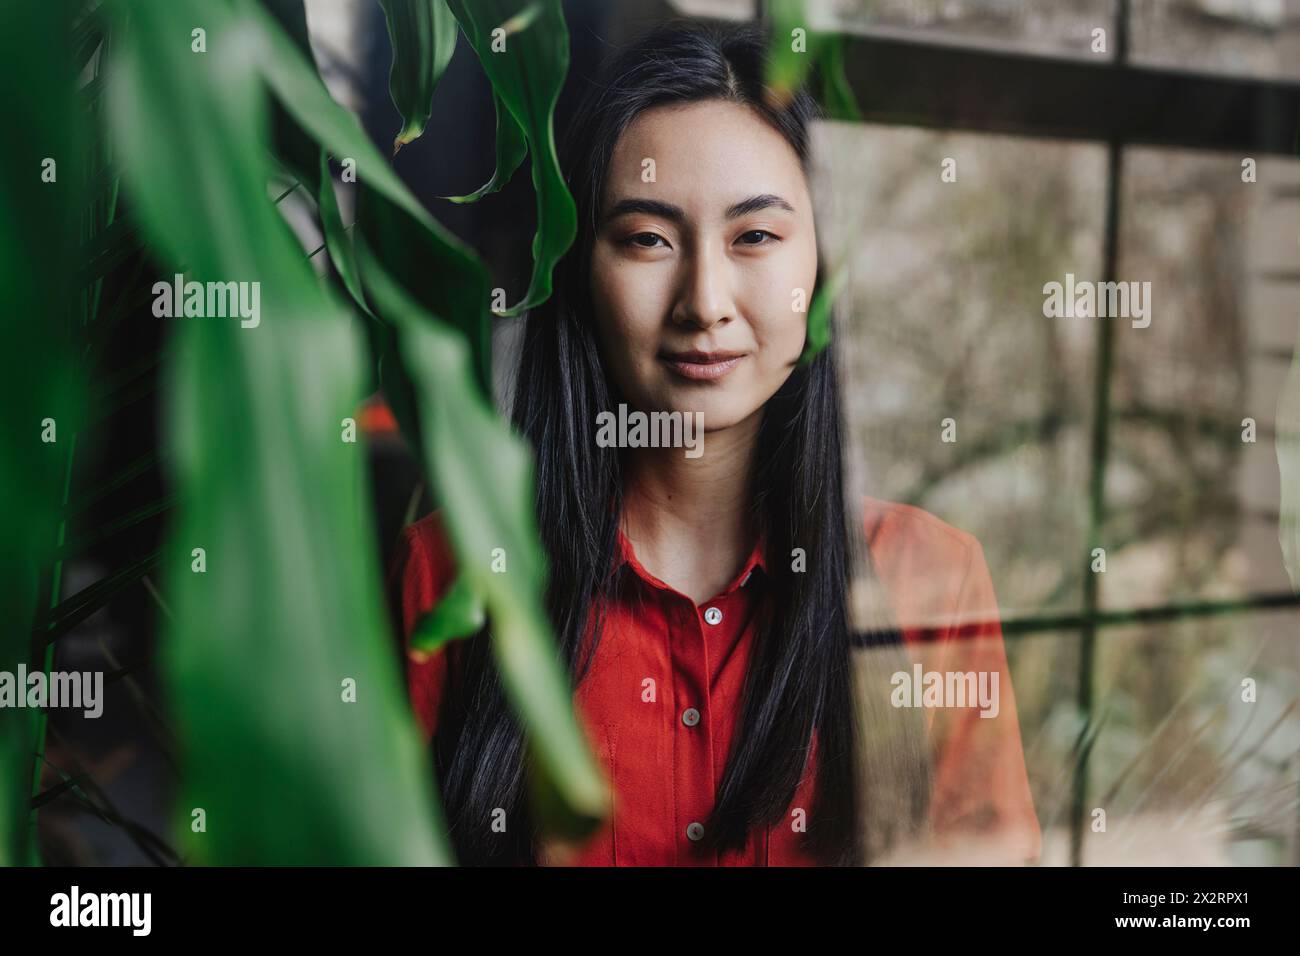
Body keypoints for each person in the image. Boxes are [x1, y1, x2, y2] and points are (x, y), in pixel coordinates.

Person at [391, 20, 1041, 866]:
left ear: (823, 267)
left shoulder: (930, 579)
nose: (704, 300)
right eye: (648, 239)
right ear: (579, 269)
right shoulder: (452, 573)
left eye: (756, 236)